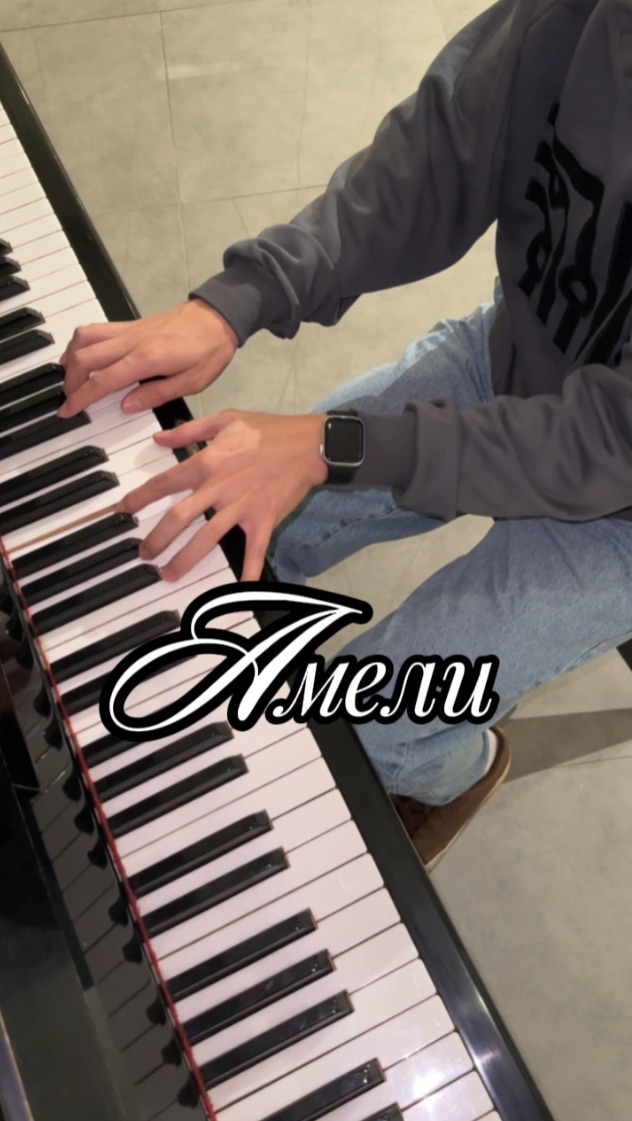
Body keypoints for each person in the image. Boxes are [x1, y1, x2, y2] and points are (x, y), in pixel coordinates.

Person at [59, 0, 632, 869]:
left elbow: (603, 444)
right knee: (226, 532)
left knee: (361, 736)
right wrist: (237, 302)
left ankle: (457, 770)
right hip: (516, 352)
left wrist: (331, 445)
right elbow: (435, 160)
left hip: (620, 523)